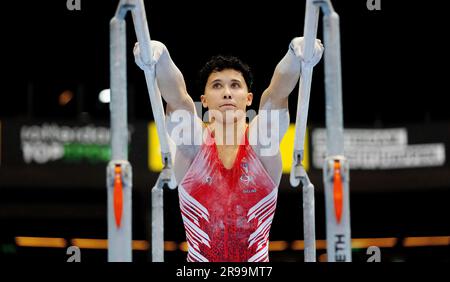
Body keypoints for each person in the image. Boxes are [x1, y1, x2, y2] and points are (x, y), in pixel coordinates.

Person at [134, 37, 324, 262]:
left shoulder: (261, 143)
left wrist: (295, 55)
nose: (227, 93)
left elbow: (276, 96)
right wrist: (160, 56)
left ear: (249, 98)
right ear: (203, 100)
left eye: (235, 85)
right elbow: (178, 99)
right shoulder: (193, 145)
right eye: (217, 85)